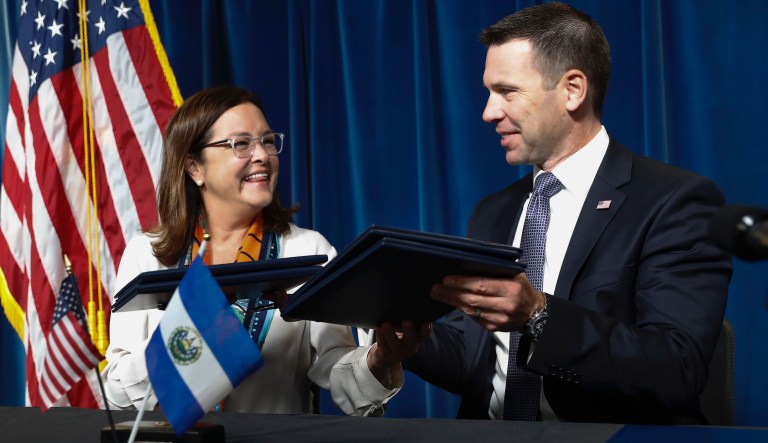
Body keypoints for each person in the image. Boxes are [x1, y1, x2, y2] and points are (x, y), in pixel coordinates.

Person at [405, 3, 731, 424]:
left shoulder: (677, 202)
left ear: (573, 90)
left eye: (507, 92)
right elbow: (478, 367)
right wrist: (413, 344)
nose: (488, 112)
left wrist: (539, 315)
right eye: (488, 93)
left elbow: (677, 369)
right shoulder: (493, 211)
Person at [103, 85, 429, 416]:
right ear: (194, 168)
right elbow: (116, 394)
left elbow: (338, 371)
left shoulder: (307, 250)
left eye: (268, 140)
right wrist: (196, 325)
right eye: (240, 144)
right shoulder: (149, 255)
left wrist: (379, 359)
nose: (262, 155)